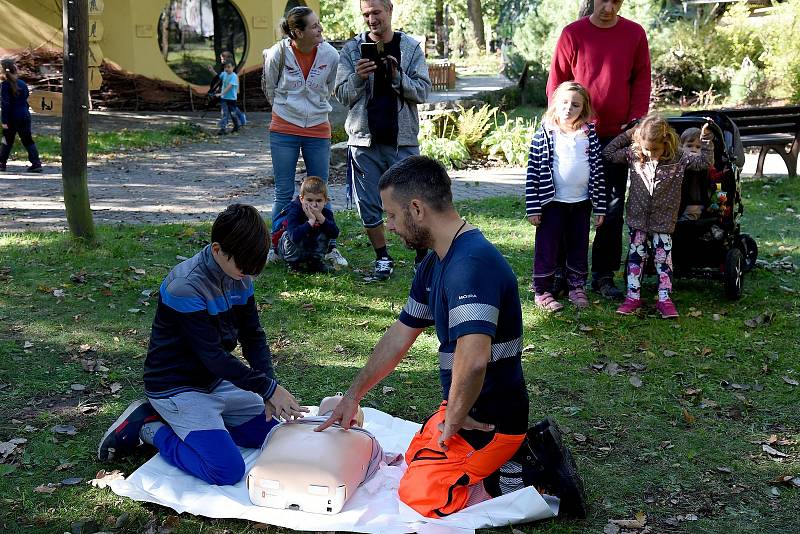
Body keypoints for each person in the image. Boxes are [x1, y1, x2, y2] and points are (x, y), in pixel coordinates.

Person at [316, 156, 587, 519]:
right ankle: (489, 459)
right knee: (415, 457)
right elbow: (400, 334)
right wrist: (352, 396)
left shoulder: (470, 265)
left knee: (419, 495)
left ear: (417, 209)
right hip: (465, 410)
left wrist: (455, 419)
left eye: (392, 215)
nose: (390, 226)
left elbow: (474, 360)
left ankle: (524, 471)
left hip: (490, 423)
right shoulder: (437, 260)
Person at [97, 204, 307, 485]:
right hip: (176, 387)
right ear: (218, 249)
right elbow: (212, 356)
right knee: (226, 470)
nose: (247, 277)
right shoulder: (185, 286)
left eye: (252, 272)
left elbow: (253, 336)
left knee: (273, 436)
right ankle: (151, 427)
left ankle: (207, 431)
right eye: (243, 269)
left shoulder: (240, 275)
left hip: (214, 382)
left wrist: (269, 388)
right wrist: (268, 388)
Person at [547, 0, 651, 300]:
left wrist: (635, 120)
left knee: (613, 207)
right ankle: (562, 274)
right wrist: (559, 124)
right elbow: (557, 79)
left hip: (616, 136)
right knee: (569, 204)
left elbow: (642, 78)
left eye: (616, 0)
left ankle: (603, 275)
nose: (608, 6)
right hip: (575, 135)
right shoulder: (573, 34)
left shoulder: (634, 34)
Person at [335, 0, 432, 280]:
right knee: (368, 204)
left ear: (389, 10)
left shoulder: (410, 47)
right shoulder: (352, 49)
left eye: (376, 12)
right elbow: (341, 95)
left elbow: (423, 91)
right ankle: (382, 258)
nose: (371, 19)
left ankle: (421, 258)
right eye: (366, 14)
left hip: (402, 140)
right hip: (364, 142)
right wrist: (358, 77)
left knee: (413, 201)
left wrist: (397, 77)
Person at [262, 7, 347, 269]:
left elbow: (331, 86)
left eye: (319, 24)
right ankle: (277, 246)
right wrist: (285, 109)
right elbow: (269, 86)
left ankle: (329, 247)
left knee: (321, 190)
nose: (320, 29)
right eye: (313, 26)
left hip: (318, 128)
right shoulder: (279, 52)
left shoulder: (331, 54)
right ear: (297, 32)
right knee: (284, 191)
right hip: (284, 126)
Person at [603, 115, 713, 318]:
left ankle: (664, 298)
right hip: (638, 218)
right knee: (636, 257)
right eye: (647, 148)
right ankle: (632, 297)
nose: (650, 153)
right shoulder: (634, 153)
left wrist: (706, 140)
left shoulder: (679, 157)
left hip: (664, 220)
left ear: (666, 142)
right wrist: (628, 134)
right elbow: (608, 153)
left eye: (655, 149)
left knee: (663, 260)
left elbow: (704, 162)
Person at [526, 81, 606, 312]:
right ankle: (542, 290)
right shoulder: (545, 134)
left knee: (578, 245)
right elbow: (533, 172)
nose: (569, 108)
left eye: (576, 105)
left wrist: (600, 207)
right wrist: (534, 208)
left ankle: (576, 286)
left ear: (584, 108)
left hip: (581, 203)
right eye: (564, 102)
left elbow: (598, 172)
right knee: (547, 246)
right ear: (555, 103)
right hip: (552, 203)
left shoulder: (588, 134)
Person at [278, 176, 340, 273]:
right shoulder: (295, 211)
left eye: (319, 201)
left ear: (325, 201)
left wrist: (321, 218)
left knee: (326, 230)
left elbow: (335, 233)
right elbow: (294, 236)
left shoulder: (326, 213)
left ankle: (315, 262)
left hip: (312, 248)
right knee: (288, 235)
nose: (314, 205)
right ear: (301, 199)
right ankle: (293, 264)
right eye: (309, 200)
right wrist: (311, 221)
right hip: (291, 249)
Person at [0, 58, 42, 173]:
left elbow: (5, 104)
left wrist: (4, 121)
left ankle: (2, 163)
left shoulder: (4, 85)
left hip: (12, 117)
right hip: (25, 115)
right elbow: (26, 99)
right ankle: (36, 163)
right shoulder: (23, 84)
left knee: (7, 140)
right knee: (28, 140)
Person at [677, 127, 717, 221]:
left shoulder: (705, 164)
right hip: (677, 202)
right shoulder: (679, 162)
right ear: (681, 147)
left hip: (696, 203)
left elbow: (711, 171)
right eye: (689, 146)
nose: (693, 150)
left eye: (698, 147)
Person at [208, 51, 247, 127]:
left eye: (223, 59)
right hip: (225, 93)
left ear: (227, 58)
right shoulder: (225, 68)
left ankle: (240, 119)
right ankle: (225, 122)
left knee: (232, 108)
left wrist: (222, 93)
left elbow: (231, 83)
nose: (222, 60)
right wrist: (212, 71)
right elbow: (219, 78)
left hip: (232, 92)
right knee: (227, 109)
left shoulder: (232, 70)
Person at [216, 60, 241, 135]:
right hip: (224, 98)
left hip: (232, 99)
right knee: (224, 113)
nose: (227, 69)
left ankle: (236, 126)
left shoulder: (234, 76)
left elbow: (229, 87)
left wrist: (221, 93)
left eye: (229, 67)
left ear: (233, 67)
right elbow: (217, 76)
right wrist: (212, 71)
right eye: (225, 67)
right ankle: (223, 129)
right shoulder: (224, 74)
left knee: (233, 114)